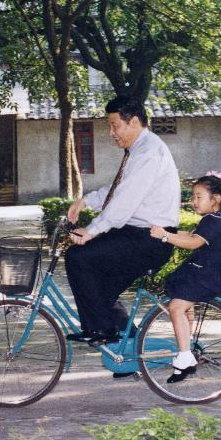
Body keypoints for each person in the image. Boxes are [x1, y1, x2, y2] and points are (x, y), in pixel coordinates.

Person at [65, 95, 180, 352]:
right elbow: (118, 190)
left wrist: (92, 231)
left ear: (134, 122)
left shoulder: (150, 152)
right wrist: (85, 201)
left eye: (114, 125)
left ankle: (103, 330)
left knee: (79, 258)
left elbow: (124, 202)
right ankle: (130, 351)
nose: (111, 133)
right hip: (137, 234)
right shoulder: (139, 150)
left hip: (150, 238)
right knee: (98, 290)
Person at [149, 172, 221, 383]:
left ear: (215, 200)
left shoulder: (213, 221)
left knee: (176, 307)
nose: (193, 201)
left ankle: (185, 357)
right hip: (206, 270)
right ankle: (185, 348)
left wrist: (165, 235)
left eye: (199, 197)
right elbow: (189, 236)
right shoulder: (216, 218)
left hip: (210, 275)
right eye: (193, 196)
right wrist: (166, 234)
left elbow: (193, 243)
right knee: (183, 300)